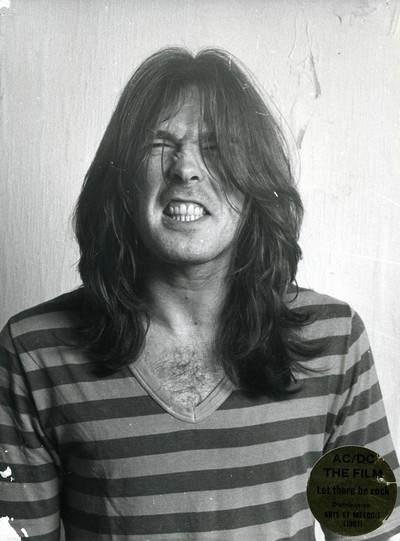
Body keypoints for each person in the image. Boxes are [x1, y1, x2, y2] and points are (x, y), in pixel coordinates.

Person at [0, 47, 399, 541]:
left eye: (215, 146)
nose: (185, 169)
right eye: (159, 144)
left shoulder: (335, 340)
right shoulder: (33, 352)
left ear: (256, 178)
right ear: (121, 178)